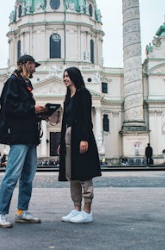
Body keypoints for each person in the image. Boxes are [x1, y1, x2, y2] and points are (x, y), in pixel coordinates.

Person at [0, 55, 47, 228]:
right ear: (25, 64)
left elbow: (24, 110)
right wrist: (32, 109)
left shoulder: (27, 84)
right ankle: (0, 214)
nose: (34, 68)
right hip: (18, 136)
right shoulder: (12, 82)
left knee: (28, 177)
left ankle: (22, 211)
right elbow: (8, 107)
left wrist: (40, 113)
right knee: (12, 176)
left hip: (30, 136)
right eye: (32, 65)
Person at [57, 67, 102, 224]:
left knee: (84, 173)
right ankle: (76, 208)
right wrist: (61, 142)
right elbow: (64, 122)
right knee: (72, 174)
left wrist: (84, 139)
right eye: (64, 76)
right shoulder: (68, 96)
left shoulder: (84, 94)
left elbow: (85, 118)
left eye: (67, 76)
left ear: (75, 77)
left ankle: (87, 211)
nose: (65, 78)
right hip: (69, 137)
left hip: (81, 136)